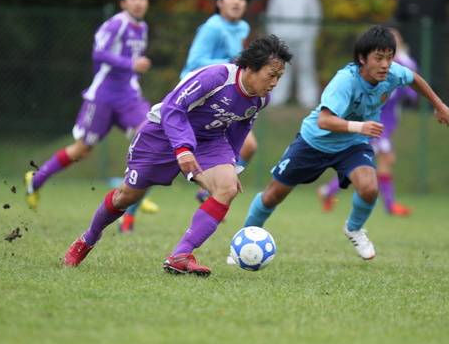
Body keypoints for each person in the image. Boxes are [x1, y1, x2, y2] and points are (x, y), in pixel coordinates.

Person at [62, 34, 294, 276]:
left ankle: (180, 255)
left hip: (209, 140)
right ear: (251, 69)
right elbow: (173, 107)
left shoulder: (260, 100)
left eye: (279, 77)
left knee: (227, 187)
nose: (275, 83)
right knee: (125, 197)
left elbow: (239, 129)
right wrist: (182, 148)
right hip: (162, 134)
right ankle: (88, 239)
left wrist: (231, 165)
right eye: (272, 75)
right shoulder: (216, 77)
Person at [241, 25, 449, 261]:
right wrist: (361, 126)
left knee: (370, 189)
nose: (385, 64)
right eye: (378, 58)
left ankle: (354, 228)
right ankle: (243, 239)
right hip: (314, 143)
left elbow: (413, 79)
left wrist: (438, 104)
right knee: (272, 196)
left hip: (352, 144)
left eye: (389, 58)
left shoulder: (391, 73)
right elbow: (324, 120)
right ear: (362, 58)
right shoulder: (345, 81)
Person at [25, 0, 158, 216]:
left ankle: (134, 194)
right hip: (103, 98)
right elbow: (99, 53)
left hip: (128, 97)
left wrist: (133, 76)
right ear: (123, 2)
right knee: (82, 150)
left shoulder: (143, 27)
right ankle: (36, 179)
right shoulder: (116, 23)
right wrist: (131, 64)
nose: (139, 3)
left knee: (149, 134)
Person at [316, 20, 419, 216]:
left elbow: (411, 91)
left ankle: (328, 191)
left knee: (365, 163)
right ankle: (390, 206)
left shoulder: (406, 63)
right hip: (376, 119)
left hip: (391, 120)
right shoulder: (373, 64)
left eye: (394, 36)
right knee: (386, 159)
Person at [174, 0, 256, 206]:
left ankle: (210, 190)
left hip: (224, 97)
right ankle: (129, 212)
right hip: (197, 97)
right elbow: (195, 62)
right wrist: (229, 65)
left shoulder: (242, 28)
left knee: (249, 146)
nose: (237, 2)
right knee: (164, 163)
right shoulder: (212, 27)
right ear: (219, 2)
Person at [265, 0, 323, 109]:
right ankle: (278, 98)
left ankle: (308, 98)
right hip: (282, 39)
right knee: (279, 67)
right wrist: (276, 39)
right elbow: (271, 17)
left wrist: (310, 36)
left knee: (306, 67)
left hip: (304, 39)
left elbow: (315, 16)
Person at [395, 0, 446, 86]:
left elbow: (443, 21)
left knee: (433, 77)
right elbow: (399, 20)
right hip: (411, 46)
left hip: (433, 48)